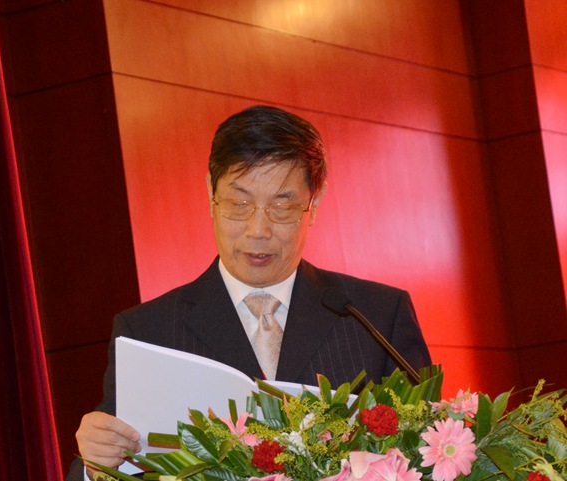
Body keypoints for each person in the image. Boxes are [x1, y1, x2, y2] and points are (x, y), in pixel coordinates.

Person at [66, 105, 431, 480]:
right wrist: (95, 465)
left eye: (282, 206)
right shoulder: (148, 331)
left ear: (315, 203)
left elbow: (428, 453)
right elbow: (117, 463)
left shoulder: (376, 316)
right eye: (239, 204)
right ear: (211, 193)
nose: (258, 230)